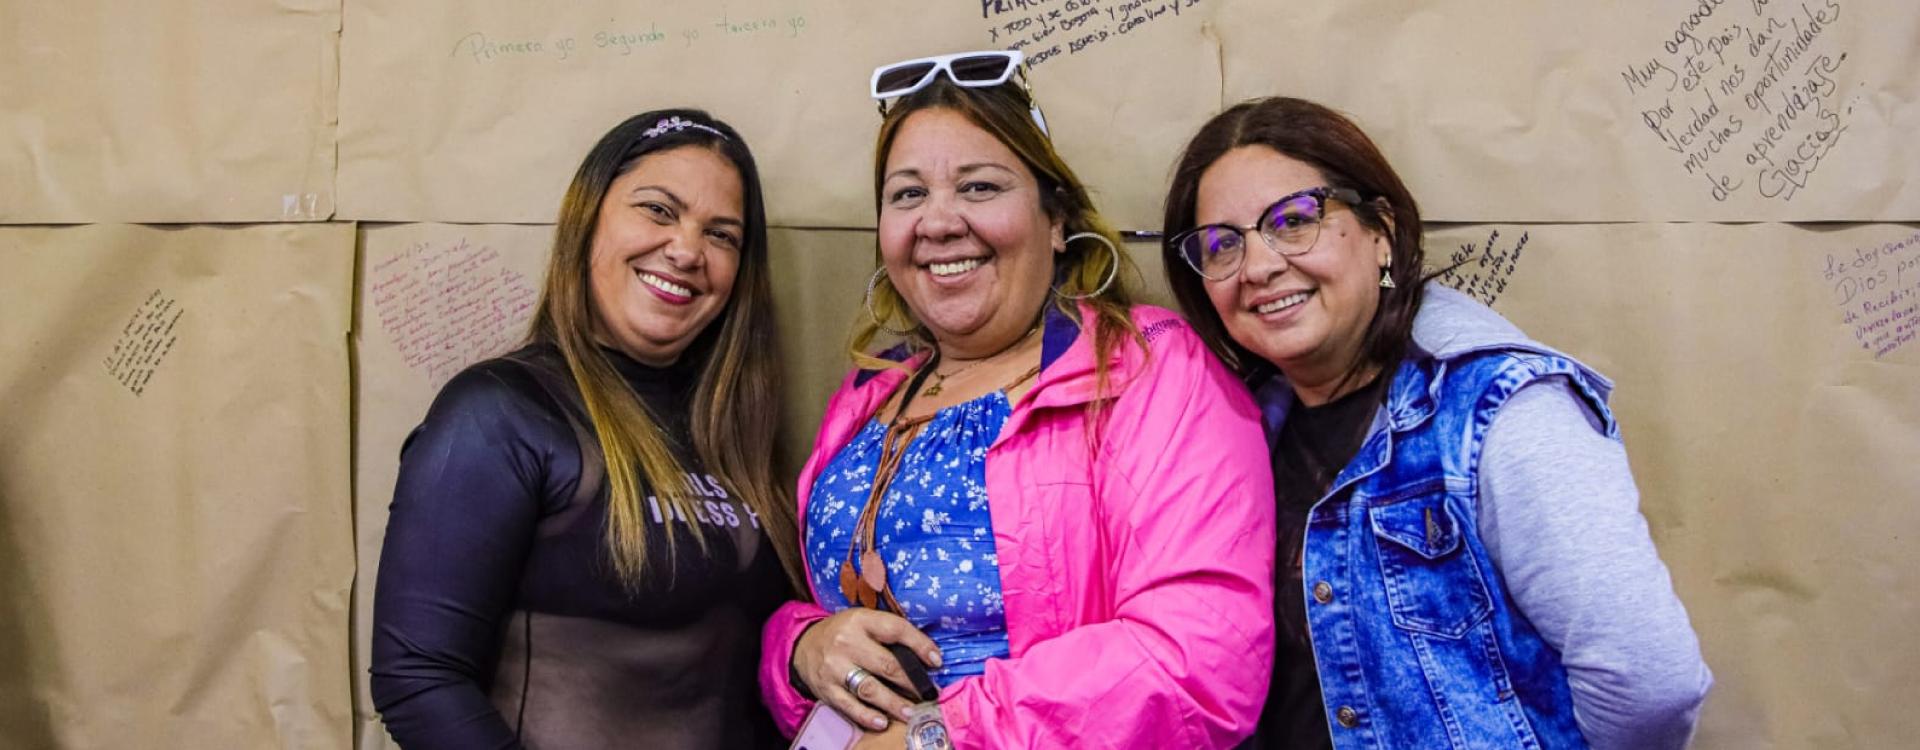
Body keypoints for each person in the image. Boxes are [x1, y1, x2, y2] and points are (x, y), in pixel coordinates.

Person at [1159, 96, 1713, 749]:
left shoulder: (1500, 411)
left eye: (1294, 220)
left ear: (1381, 232)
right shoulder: (1234, 436)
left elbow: (1651, 682)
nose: (1257, 266)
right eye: (1222, 244)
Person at [758, 51, 1276, 748]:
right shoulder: (865, 397)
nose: (938, 222)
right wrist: (800, 649)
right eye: (907, 194)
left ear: (1056, 221)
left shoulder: (1148, 368)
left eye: (978, 187)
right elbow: (813, 611)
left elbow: (1201, 659)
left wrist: (941, 736)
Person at [369, 109, 803, 749]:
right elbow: (419, 680)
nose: (686, 250)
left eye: (722, 234)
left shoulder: (731, 433)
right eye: (658, 210)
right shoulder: (498, 411)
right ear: (589, 219)